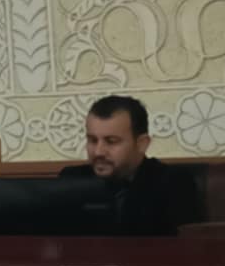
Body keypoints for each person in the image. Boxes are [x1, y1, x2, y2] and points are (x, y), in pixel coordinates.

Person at [58, 94, 201, 236]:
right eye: (92, 140)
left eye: (111, 141)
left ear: (141, 144)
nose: (98, 152)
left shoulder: (172, 182)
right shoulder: (72, 180)